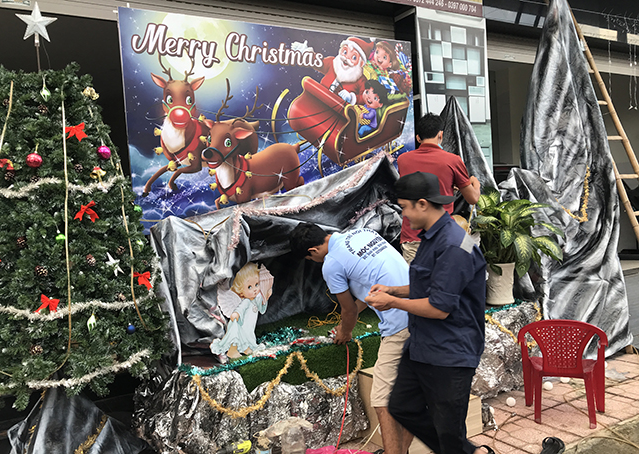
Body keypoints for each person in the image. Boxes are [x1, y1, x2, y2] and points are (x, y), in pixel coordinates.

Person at [365, 171, 491, 454]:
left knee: (448, 431)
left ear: (422, 204)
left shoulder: (455, 244)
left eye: (406, 207)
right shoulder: (434, 237)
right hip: (422, 346)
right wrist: (395, 290)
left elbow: (439, 307)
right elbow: (432, 283)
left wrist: (391, 303)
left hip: (450, 352)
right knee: (401, 406)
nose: (404, 215)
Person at [289, 224, 414, 454]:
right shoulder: (363, 232)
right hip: (419, 306)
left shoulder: (331, 264)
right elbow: (369, 287)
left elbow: (348, 310)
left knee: (381, 399)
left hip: (400, 323)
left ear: (313, 251)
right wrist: (349, 320)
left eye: (310, 259)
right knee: (411, 394)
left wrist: (345, 333)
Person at [396, 113, 481, 264]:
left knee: (416, 285)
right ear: (440, 135)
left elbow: (420, 186)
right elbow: (473, 198)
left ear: (418, 138)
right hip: (441, 237)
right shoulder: (453, 160)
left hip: (412, 237)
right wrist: (475, 183)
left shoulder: (403, 160)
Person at [210, 262, 271, 358]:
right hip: (241, 324)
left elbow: (262, 309)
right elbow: (240, 308)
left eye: (257, 284)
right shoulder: (246, 301)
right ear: (241, 290)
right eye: (249, 287)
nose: (255, 289)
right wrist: (236, 313)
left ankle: (246, 349)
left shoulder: (255, 300)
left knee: (248, 337)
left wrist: (266, 297)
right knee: (238, 336)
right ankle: (232, 351)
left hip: (249, 327)